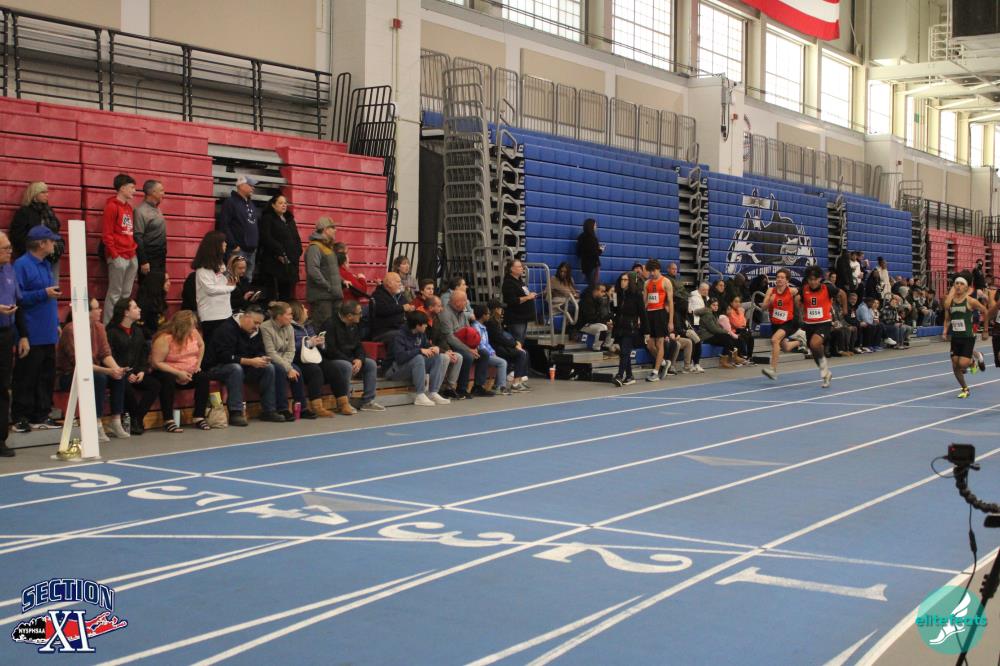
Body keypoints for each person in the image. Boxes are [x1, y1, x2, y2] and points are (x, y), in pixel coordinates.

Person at [56, 299, 129, 442]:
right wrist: (108, 371)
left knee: (118, 376)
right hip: (70, 374)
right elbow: (81, 364)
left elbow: (105, 353)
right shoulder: (71, 330)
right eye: (96, 308)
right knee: (99, 378)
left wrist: (116, 369)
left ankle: (115, 421)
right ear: (86, 312)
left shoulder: (99, 327)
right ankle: (96, 423)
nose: (100, 310)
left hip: (93, 370)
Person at [12, 225, 61, 432]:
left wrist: (55, 322)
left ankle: (41, 414)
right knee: (27, 376)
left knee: (46, 376)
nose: (54, 244)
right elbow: (17, 298)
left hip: (47, 330)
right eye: (51, 241)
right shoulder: (21, 265)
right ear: (41, 243)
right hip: (31, 331)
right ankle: (20, 416)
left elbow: (50, 297)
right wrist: (43, 293)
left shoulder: (46, 264)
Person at [204, 308, 288, 425]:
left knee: (268, 367)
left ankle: (269, 410)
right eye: (256, 323)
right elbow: (224, 357)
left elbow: (259, 350)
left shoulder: (254, 331)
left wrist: (262, 357)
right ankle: (236, 412)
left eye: (259, 324)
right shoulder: (226, 329)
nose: (257, 327)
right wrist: (250, 361)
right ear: (246, 316)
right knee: (235, 369)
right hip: (216, 367)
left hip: (243, 365)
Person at [107, 298, 161, 435]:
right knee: (125, 385)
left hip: (136, 371)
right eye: (135, 307)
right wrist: (126, 373)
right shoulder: (112, 332)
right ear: (126, 312)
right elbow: (110, 356)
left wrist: (141, 370)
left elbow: (143, 353)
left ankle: (137, 418)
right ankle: (136, 419)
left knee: (154, 385)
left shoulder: (137, 331)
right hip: (117, 372)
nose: (139, 309)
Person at [150, 310, 211, 432]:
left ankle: (199, 416)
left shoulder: (193, 333)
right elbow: (156, 362)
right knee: (167, 379)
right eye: (191, 325)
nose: (194, 328)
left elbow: (201, 345)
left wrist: (198, 365)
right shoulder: (164, 338)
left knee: (203, 377)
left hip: (189, 372)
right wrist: (178, 373)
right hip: (168, 371)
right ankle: (168, 420)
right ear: (182, 326)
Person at [260, 301, 321, 420]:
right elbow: (270, 353)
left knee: (297, 371)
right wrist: (287, 368)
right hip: (270, 359)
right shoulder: (265, 327)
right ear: (279, 316)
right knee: (281, 370)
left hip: (285, 360)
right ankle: (282, 408)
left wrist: (288, 366)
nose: (291, 317)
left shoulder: (289, 327)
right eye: (288, 314)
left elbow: (291, 350)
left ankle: (302, 408)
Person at [324, 300, 384, 413]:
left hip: (351, 358)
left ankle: (368, 401)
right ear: (349, 316)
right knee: (346, 366)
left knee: (371, 364)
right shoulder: (330, 324)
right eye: (359, 313)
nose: (361, 315)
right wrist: (351, 361)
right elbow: (331, 351)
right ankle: (344, 403)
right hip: (333, 360)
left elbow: (359, 346)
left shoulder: (354, 324)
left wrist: (359, 359)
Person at [796, 265, 846, 388]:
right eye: (810, 279)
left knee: (814, 344)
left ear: (820, 279)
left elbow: (843, 294)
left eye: (815, 279)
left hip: (824, 323)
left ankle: (824, 368)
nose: (813, 282)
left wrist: (845, 309)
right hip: (809, 324)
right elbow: (797, 300)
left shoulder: (827, 288)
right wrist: (800, 312)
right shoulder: (804, 289)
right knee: (814, 351)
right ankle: (826, 373)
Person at [386, 310, 447, 406]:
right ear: (418, 325)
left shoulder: (421, 333)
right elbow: (400, 358)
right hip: (395, 370)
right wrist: (419, 350)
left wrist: (435, 348)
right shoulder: (399, 335)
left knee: (437, 357)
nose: (426, 326)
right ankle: (420, 394)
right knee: (418, 358)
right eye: (425, 324)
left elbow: (427, 346)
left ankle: (433, 392)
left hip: (410, 367)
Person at [438, 288, 489, 399]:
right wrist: (468, 349)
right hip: (450, 346)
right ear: (457, 302)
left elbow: (470, 331)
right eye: (465, 301)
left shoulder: (462, 313)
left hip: (464, 345)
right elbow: (449, 338)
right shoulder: (445, 314)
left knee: (484, 353)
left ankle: (478, 387)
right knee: (468, 356)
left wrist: (474, 347)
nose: (467, 303)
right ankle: (461, 389)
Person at [288, 300, 336, 417]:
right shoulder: (289, 327)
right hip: (297, 359)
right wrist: (308, 343)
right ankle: (316, 406)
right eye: (303, 308)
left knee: (332, 367)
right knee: (315, 371)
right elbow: (291, 347)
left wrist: (320, 343)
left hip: (311, 357)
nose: (306, 310)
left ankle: (343, 402)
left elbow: (318, 346)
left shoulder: (308, 325)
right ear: (297, 311)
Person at [101, 173, 138, 323]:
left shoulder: (128, 207)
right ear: (122, 188)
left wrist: (133, 253)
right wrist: (114, 255)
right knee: (115, 293)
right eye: (131, 187)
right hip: (118, 255)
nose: (134, 191)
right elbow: (107, 234)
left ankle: (122, 323)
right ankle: (108, 326)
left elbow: (129, 232)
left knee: (126, 294)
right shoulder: (111, 207)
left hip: (130, 254)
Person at [943, 277, 988, 399]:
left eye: (961, 284)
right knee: (955, 365)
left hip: (968, 337)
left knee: (962, 364)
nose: (958, 285)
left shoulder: (971, 301)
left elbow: (985, 311)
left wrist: (985, 330)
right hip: (955, 337)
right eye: (956, 283)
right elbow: (947, 318)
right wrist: (945, 331)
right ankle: (965, 389)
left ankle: (972, 362)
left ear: (966, 288)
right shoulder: (950, 302)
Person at [10, 181, 63, 279]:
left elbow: (56, 232)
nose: (47, 194)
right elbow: (17, 236)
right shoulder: (24, 212)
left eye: (47, 192)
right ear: (34, 194)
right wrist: (32, 253)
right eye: (43, 192)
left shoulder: (49, 212)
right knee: (34, 284)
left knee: (52, 284)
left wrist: (59, 246)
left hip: (52, 256)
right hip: (33, 258)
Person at [192, 231, 237, 344]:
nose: (226, 244)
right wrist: (230, 288)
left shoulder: (220, 264)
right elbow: (210, 289)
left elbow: (226, 282)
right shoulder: (202, 269)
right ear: (215, 245)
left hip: (226, 312)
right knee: (212, 346)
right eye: (223, 242)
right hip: (211, 316)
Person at [0, 233, 22, 456]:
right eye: (5, 248)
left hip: (6, 333)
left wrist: (22, 334)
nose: (10, 251)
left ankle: (1, 439)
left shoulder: (9, 269)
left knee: (3, 386)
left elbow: (17, 298)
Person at [760, 268, 804, 380]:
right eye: (778, 277)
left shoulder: (792, 291)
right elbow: (763, 308)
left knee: (774, 340)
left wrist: (800, 306)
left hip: (789, 322)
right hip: (776, 323)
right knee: (786, 347)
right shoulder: (770, 291)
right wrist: (770, 302)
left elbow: (803, 297)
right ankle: (801, 341)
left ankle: (773, 370)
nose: (779, 279)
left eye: (782, 277)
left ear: (787, 280)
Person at [256, 194, 302, 302]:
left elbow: (296, 238)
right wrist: (280, 252)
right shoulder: (268, 218)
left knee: (287, 294)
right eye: (280, 203)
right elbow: (266, 238)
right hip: (274, 262)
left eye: (285, 203)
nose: (284, 205)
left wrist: (298, 252)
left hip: (290, 263)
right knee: (273, 295)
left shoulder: (290, 220)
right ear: (273, 205)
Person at [217, 175, 259, 279]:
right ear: (241, 185)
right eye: (250, 185)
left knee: (247, 279)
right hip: (238, 249)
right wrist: (233, 244)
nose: (253, 188)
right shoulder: (230, 202)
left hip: (251, 250)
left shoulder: (251, 204)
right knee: (232, 278)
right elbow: (224, 224)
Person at [304, 217, 342, 330]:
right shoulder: (315, 247)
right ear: (325, 229)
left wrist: (341, 281)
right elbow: (313, 270)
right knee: (322, 328)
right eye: (333, 228)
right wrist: (327, 286)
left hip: (332, 296)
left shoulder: (327, 247)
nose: (335, 230)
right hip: (322, 298)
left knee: (332, 329)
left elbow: (330, 271)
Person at [423, 294, 464, 399]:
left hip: (437, 349)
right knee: (444, 357)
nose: (441, 309)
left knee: (457, 357)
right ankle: (434, 390)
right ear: (431, 307)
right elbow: (425, 343)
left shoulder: (436, 319)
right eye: (439, 306)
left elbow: (441, 338)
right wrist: (444, 352)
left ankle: (448, 389)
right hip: (425, 351)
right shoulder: (421, 319)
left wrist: (448, 350)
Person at [485, 300, 530, 392]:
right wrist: (514, 345)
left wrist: (515, 343)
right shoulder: (491, 323)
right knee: (521, 354)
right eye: (500, 308)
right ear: (496, 309)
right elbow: (500, 338)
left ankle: (519, 380)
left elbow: (504, 337)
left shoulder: (497, 321)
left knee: (525, 352)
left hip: (501, 346)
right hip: (496, 348)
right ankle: (515, 383)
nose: (502, 310)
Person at [611, 272, 646, 386]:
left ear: (630, 281)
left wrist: (647, 332)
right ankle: (629, 376)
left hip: (631, 328)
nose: (623, 282)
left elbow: (643, 314)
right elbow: (615, 310)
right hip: (619, 327)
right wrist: (612, 300)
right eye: (622, 279)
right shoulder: (618, 294)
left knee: (625, 352)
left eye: (625, 280)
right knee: (624, 352)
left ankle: (619, 375)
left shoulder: (637, 295)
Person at [643, 259, 674, 381]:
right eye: (650, 271)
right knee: (650, 345)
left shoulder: (666, 282)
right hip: (649, 314)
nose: (652, 273)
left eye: (654, 271)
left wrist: (670, 321)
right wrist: (641, 317)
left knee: (659, 343)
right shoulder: (647, 283)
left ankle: (655, 372)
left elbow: (670, 303)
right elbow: (645, 302)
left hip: (660, 314)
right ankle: (664, 363)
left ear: (659, 269)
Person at [471, 303, 510, 395]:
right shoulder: (475, 327)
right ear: (483, 315)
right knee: (502, 362)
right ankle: (500, 387)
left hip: (487, 352)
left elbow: (487, 343)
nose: (489, 315)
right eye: (488, 314)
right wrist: (490, 353)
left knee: (501, 359)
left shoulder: (483, 327)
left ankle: (498, 385)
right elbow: (480, 344)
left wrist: (492, 352)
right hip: (481, 353)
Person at [133, 179, 168, 277]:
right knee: (149, 286)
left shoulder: (157, 209)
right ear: (153, 192)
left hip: (160, 257)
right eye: (161, 190)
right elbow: (137, 237)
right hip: (149, 260)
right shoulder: (140, 211)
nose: (164, 193)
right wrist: (143, 261)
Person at [694, 298, 740, 368]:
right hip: (707, 337)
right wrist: (726, 331)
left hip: (712, 335)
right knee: (726, 337)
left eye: (717, 305)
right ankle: (729, 358)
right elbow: (713, 329)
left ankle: (731, 357)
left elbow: (717, 328)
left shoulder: (712, 314)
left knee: (727, 338)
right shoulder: (707, 315)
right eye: (714, 305)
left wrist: (725, 332)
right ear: (709, 306)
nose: (716, 307)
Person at [370, 272, 414, 346]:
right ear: (389, 284)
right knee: (400, 335)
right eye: (398, 282)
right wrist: (402, 308)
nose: (400, 284)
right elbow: (382, 310)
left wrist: (410, 310)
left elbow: (406, 308)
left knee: (416, 331)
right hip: (383, 332)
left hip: (399, 329)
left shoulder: (400, 296)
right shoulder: (378, 295)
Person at [502, 259, 537, 345]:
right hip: (516, 318)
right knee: (517, 342)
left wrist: (530, 295)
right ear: (512, 269)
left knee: (521, 342)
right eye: (519, 266)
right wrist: (528, 297)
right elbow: (512, 301)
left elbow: (524, 295)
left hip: (523, 317)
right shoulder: (508, 283)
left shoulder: (519, 281)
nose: (522, 268)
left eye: (521, 266)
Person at [135, 270, 170, 341]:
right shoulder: (144, 304)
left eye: (169, 280)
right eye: (165, 281)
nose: (169, 283)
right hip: (148, 340)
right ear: (156, 282)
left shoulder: (160, 298)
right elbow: (140, 330)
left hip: (159, 337)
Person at [578, 284, 613, 350]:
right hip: (585, 325)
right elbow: (591, 318)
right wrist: (605, 322)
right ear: (595, 291)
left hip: (595, 323)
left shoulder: (598, 300)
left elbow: (602, 316)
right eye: (602, 291)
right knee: (603, 328)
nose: (604, 294)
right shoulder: (586, 301)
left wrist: (608, 321)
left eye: (604, 291)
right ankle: (596, 347)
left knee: (611, 326)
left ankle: (606, 346)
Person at [576, 218, 603, 291]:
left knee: (591, 285)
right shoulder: (593, 238)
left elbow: (579, 253)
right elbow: (594, 253)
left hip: (585, 266)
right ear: (591, 226)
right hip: (593, 265)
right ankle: (591, 297)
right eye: (595, 225)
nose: (596, 227)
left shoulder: (581, 237)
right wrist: (600, 250)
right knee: (594, 286)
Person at [550, 262, 579, 328]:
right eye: (561, 271)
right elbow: (547, 293)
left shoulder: (570, 279)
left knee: (582, 305)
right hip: (558, 304)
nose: (562, 273)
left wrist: (575, 294)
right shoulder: (553, 279)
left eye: (565, 272)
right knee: (575, 306)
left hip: (569, 301)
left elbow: (573, 293)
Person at [727, 295, 754, 364]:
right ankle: (743, 356)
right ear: (731, 303)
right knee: (743, 335)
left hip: (741, 330)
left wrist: (741, 313)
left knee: (750, 337)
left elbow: (744, 323)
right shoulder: (730, 312)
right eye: (736, 302)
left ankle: (749, 356)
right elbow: (737, 324)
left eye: (739, 302)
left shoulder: (740, 311)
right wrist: (741, 314)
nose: (738, 304)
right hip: (733, 332)